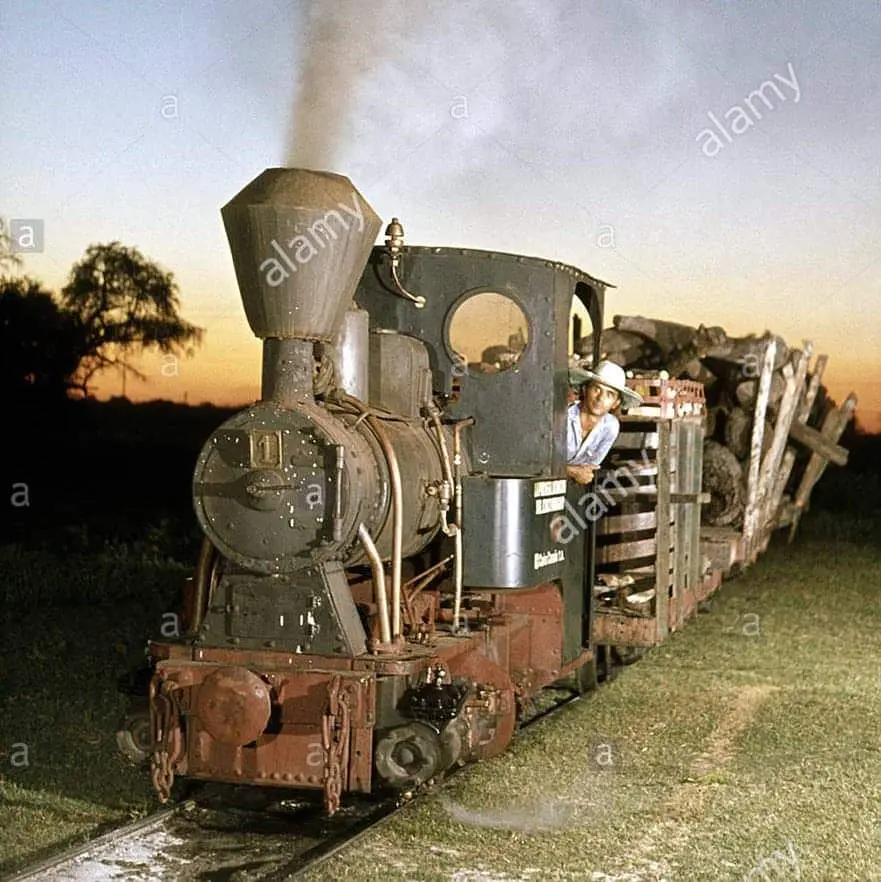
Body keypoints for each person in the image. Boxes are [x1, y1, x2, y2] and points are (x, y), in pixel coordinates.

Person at [566, 360, 642, 485]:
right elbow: (538, 463)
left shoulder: (610, 426)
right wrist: (572, 471)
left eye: (610, 394)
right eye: (597, 389)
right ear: (585, 389)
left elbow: (588, 470)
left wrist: (572, 471)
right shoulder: (563, 417)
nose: (600, 398)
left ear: (616, 403)